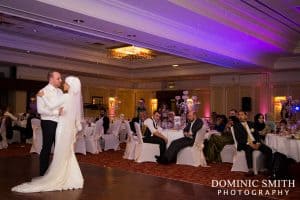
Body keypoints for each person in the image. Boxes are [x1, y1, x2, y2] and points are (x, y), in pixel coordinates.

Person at [12, 76, 84, 193]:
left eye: (65, 83)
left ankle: (59, 176)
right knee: (67, 153)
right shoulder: (74, 99)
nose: (63, 84)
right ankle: (72, 177)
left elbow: (51, 105)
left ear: (70, 86)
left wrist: (42, 96)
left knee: (60, 153)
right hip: (69, 130)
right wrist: (76, 129)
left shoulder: (66, 96)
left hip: (61, 129)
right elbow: (77, 119)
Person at [233, 111, 272, 177]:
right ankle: (250, 169)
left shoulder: (251, 124)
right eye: (239, 115)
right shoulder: (236, 126)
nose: (240, 116)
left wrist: (258, 143)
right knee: (248, 149)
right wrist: (250, 144)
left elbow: (257, 135)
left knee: (268, 150)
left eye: (242, 115)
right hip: (244, 143)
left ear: (246, 116)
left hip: (255, 142)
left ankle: (266, 168)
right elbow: (239, 139)